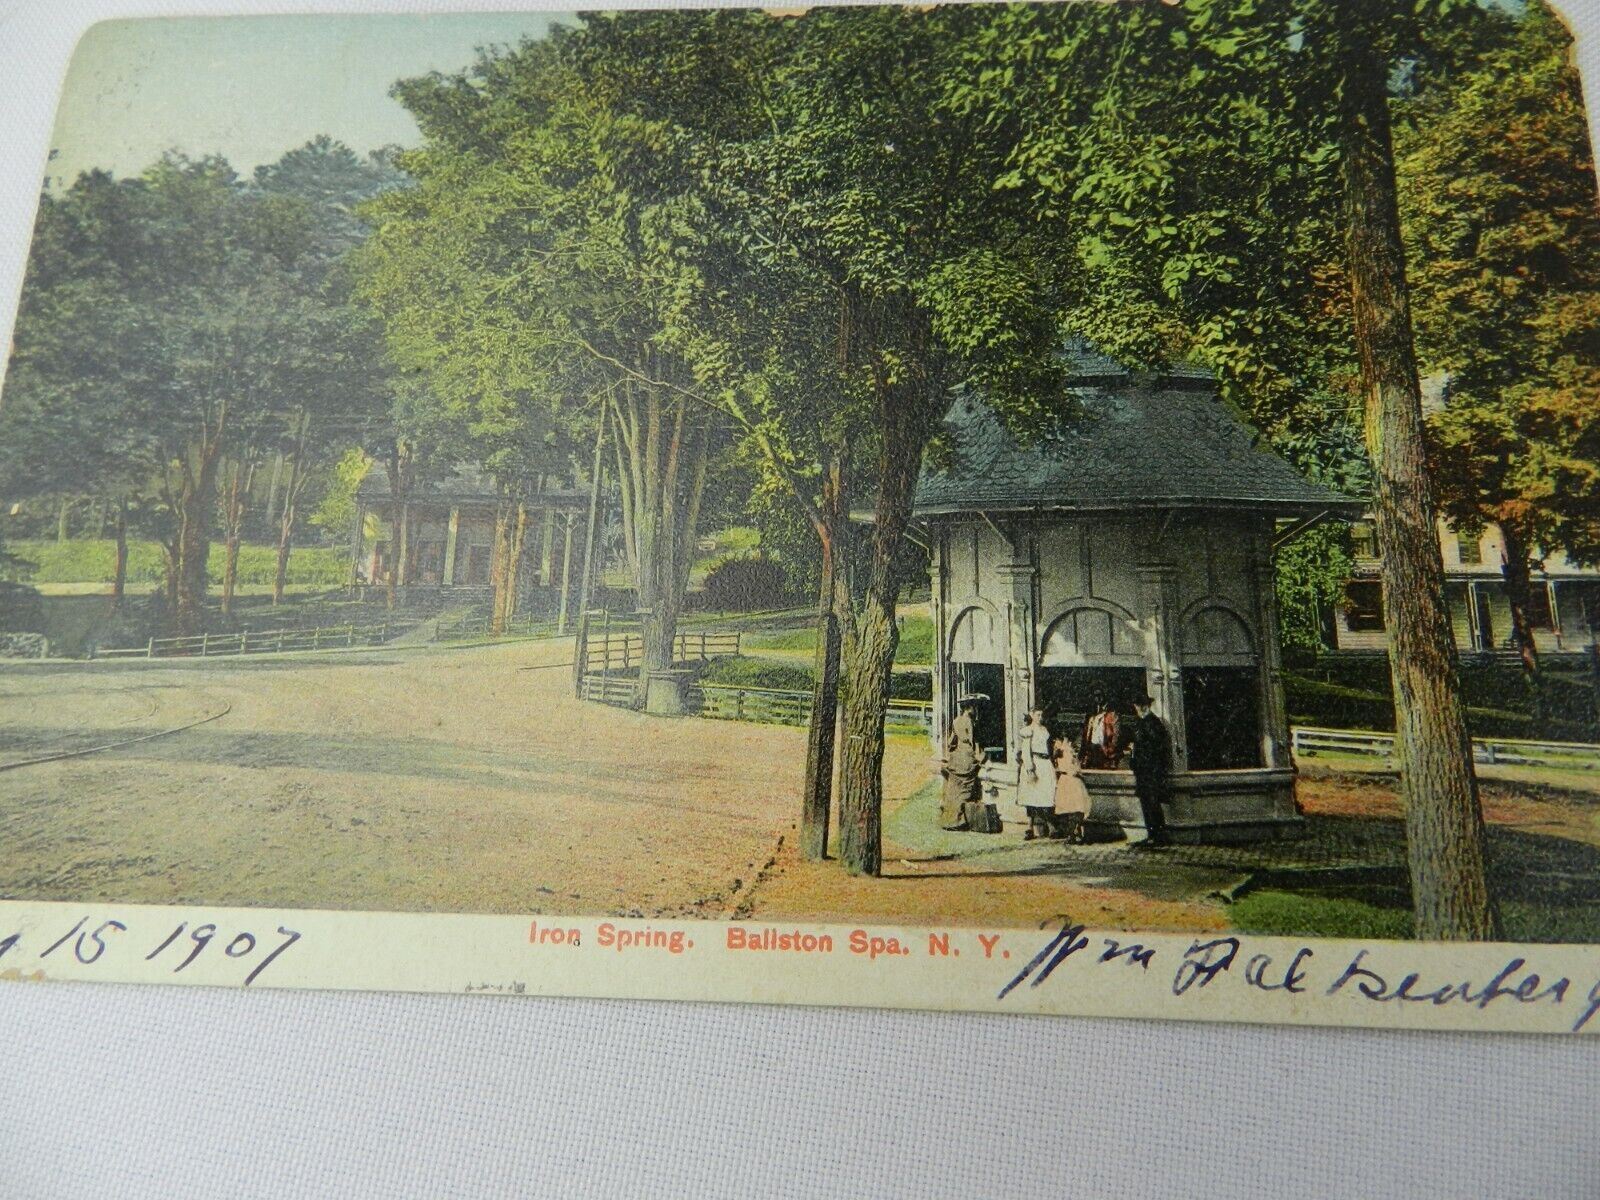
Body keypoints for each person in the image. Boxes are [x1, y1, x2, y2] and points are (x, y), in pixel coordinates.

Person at [1127, 693, 1172, 847]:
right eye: (1137, 706)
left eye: (1139, 706)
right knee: (1146, 802)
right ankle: (1152, 834)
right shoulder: (1141, 722)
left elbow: (1156, 747)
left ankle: (1158, 835)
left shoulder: (1152, 722)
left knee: (1152, 802)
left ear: (1146, 706)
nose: (1138, 709)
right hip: (1143, 770)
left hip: (1151, 770)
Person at [939, 694, 985, 831]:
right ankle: (958, 820)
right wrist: (980, 755)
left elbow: (950, 741)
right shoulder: (968, 721)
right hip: (967, 755)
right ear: (968, 708)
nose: (975, 709)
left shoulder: (956, 720)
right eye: (974, 706)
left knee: (955, 789)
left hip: (957, 755)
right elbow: (972, 740)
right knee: (964, 789)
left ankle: (948, 819)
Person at [1016, 709, 1056, 841]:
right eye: (1037, 715)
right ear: (1032, 715)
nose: (1040, 717)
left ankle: (1050, 827)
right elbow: (1026, 751)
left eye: (1041, 715)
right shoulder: (1029, 730)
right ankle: (1030, 827)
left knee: (1047, 795)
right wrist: (1029, 768)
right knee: (1031, 796)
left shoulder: (1045, 730)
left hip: (1045, 764)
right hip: (1035, 763)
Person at [1050, 717, 1091, 843]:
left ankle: (1075, 832)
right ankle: (1072, 832)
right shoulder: (1061, 749)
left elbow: (1074, 764)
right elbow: (1061, 762)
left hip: (1072, 779)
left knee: (1075, 807)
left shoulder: (1070, 750)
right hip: (1067, 778)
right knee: (1069, 807)